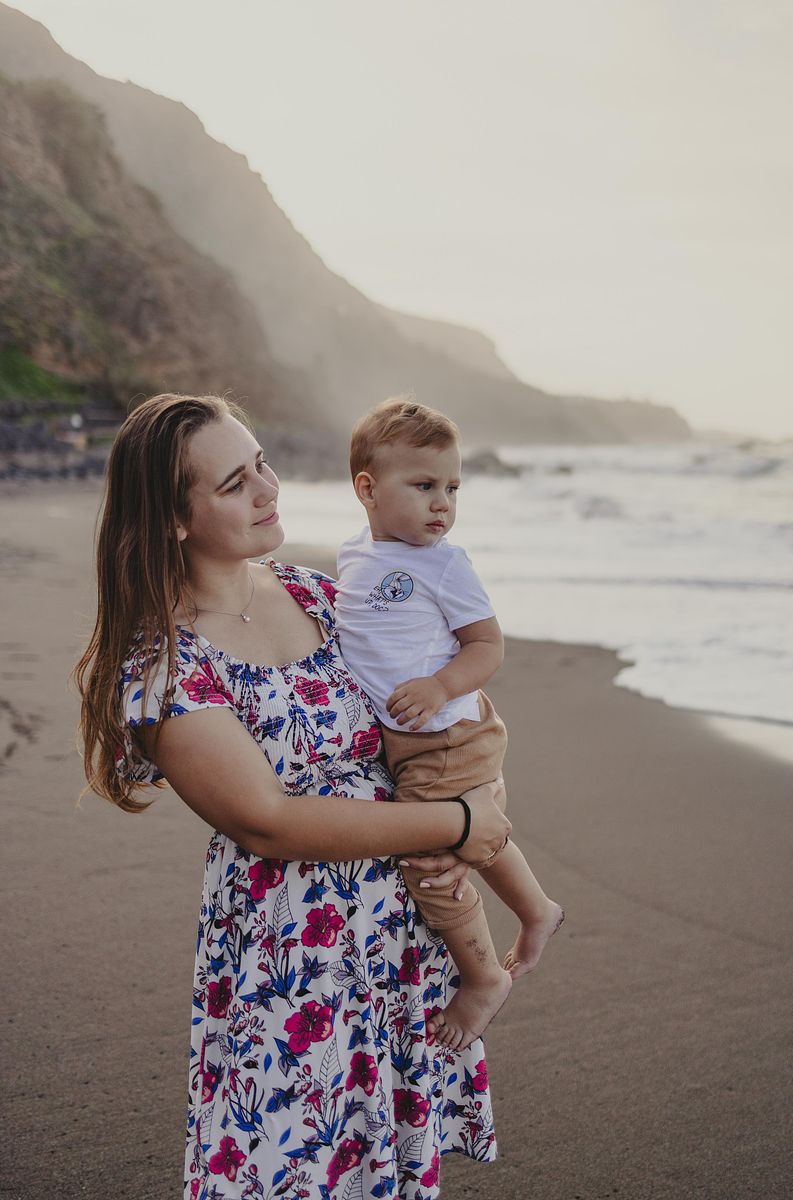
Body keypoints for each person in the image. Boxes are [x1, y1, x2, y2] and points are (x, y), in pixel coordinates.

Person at [74, 393, 511, 1200]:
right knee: (284, 1162)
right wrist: (457, 821)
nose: (269, 489)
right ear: (175, 518)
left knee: (384, 1161)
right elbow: (267, 822)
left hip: (398, 926)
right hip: (291, 953)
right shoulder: (164, 665)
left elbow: (421, 714)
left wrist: (472, 807)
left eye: (263, 463)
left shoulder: (315, 593)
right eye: (236, 483)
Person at [336, 397, 564, 1052]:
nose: (444, 503)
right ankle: (536, 909)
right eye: (425, 485)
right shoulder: (356, 556)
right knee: (473, 834)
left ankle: (484, 976)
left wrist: (440, 685)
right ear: (368, 489)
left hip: (444, 734)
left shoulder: (445, 564)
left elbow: (487, 646)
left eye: (453, 488)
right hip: (417, 742)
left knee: (431, 859)